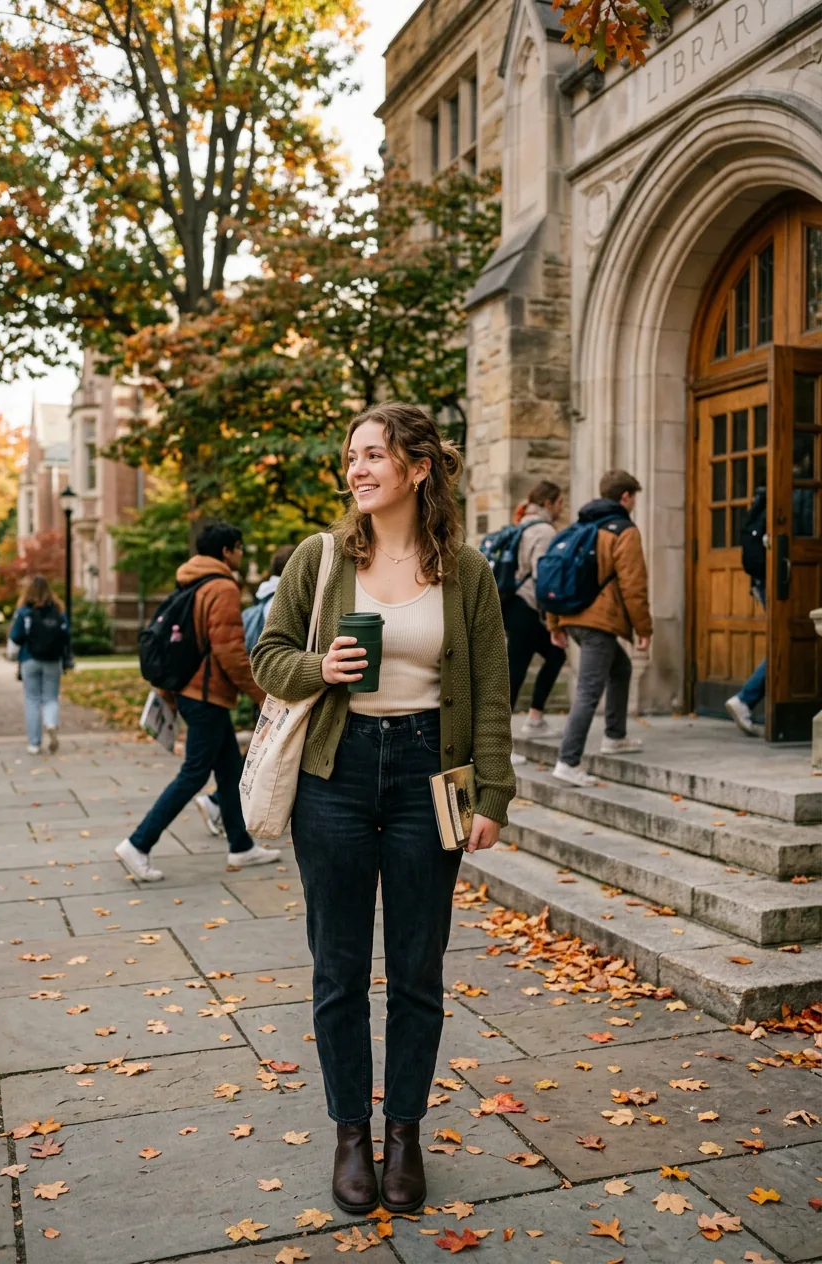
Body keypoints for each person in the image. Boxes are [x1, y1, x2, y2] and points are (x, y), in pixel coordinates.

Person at [252, 402, 515, 1217]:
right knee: (337, 969)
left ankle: (404, 1135)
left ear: (418, 467)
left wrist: (493, 793)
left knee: (418, 969)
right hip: (336, 771)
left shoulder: (464, 571)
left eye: (374, 455)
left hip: (427, 774)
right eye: (353, 457)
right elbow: (268, 654)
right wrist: (319, 667)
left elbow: (493, 693)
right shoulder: (322, 557)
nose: (358, 469)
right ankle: (350, 1136)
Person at [116, 521, 280, 881]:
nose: (241, 554)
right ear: (226, 551)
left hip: (195, 691)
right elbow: (230, 652)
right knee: (194, 773)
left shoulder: (192, 581)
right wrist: (263, 695)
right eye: (239, 547)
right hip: (204, 693)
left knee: (228, 771)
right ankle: (138, 844)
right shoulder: (221, 586)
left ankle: (241, 847)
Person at [547, 470, 653, 787]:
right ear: (625, 497)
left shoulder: (580, 526)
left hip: (573, 617)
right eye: (634, 497)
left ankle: (614, 736)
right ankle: (567, 761)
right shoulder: (624, 531)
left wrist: (554, 623)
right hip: (598, 621)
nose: (634, 504)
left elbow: (555, 575)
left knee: (619, 670)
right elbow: (634, 586)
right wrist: (643, 629)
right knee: (589, 691)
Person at [195, 543, 296, 837]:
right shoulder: (281, 600)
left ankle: (225, 811)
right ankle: (222, 804)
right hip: (274, 690)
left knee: (261, 750)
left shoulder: (263, 597)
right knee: (268, 753)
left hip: (263, 686)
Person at [504, 481, 567, 736]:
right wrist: (554, 612)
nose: (562, 508)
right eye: (560, 502)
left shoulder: (522, 524)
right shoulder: (543, 531)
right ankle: (500, 742)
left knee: (553, 656)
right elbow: (544, 575)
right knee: (515, 674)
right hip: (527, 606)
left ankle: (535, 719)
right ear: (548, 503)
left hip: (514, 604)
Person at [9, 576, 70, 755]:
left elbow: (15, 636)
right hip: (53, 660)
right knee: (50, 697)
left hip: (30, 659)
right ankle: (51, 722)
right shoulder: (58, 611)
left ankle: (34, 743)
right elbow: (66, 636)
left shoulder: (24, 611)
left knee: (32, 700)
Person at [726, 484, 767, 737]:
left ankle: (746, 699)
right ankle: (745, 699)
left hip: (762, 580)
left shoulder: (763, 500)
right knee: (786, 641)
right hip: (780, 577)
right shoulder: (788, 494)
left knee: (787, 640)